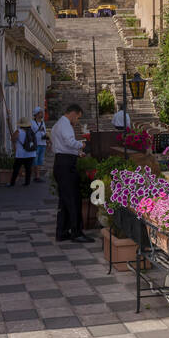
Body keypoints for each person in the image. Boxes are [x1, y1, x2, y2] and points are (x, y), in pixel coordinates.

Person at [51, 104, 91, 243]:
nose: (77, 121)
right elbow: (69, 141)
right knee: (74, 199)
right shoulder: (66, 124)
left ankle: (61, 232)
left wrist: (76, 153)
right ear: (74, 113)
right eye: (78, 118)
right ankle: (76, 232)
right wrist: (82, 145)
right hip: (66, 166)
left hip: (61, 162)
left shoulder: (58, 124)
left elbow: (62, 146)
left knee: (65, 200)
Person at [10, 120, 37, 186]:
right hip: (31, 153)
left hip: (21, 154)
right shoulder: (31, 131)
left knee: (16, 168)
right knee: (28, 168)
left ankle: (12, 183)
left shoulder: (18, 131)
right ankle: (27, 183)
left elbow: (13, 139)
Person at [31, 107, 48, 183]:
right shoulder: (32, 123)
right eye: (40, 112)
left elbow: (44, 132)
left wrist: (48, 140)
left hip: (43, 143)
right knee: (35, 160)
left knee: (40, 160)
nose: (42, 114)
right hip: (36, 144)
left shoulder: (43, 122)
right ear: (36, 114)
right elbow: (30, 133)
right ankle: (37, 176)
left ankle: (37, 176)